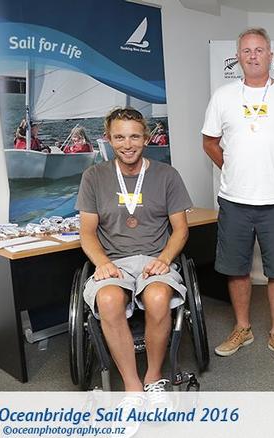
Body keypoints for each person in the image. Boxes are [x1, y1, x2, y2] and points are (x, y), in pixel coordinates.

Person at [202, 27, 274, 363]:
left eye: (259, 50)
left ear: (270, 55)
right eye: (247, 50)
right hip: (235, 200)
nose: (253, 56)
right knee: (236, 269)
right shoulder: (223, 96)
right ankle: (242, 328)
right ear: (238, 56)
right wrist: (232, 166)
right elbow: (209, 141)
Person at [76, 107, 193, 395]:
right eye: (119, 137)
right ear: (108, 138)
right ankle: (132, 386)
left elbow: (181, 229)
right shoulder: (94, 176)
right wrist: (101, 263)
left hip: (156, 260)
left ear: (145, 138)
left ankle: (153, 378)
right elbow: (87, 232)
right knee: (108, 299)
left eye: (134, 137)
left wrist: (166, 259)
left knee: (156, 296)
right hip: (114, 262)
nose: (127, 145)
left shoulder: (167, 175)